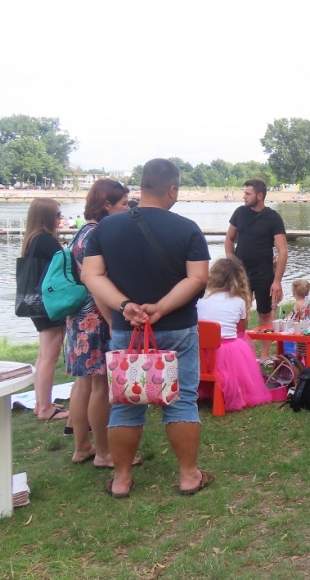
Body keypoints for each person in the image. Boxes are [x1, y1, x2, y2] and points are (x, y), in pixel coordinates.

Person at [82, 158, 211, 498]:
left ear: (142, 186)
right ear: (172, 189)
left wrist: (125, 306)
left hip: (129, 330)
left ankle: (121, 479)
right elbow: (198, 278)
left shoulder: (105, 228)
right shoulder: (188, 229)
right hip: (178, 328)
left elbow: (91, 275)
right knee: (182, 400)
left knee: (126, 404)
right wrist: (162, 307)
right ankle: (189, 476)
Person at [66, 179, 134, 466]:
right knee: (100, 387)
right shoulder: (98, 235)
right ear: (107, 205)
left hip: (79, 317)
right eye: (123, 204)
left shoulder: (81, 232)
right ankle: (104, 453)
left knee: (83, 384)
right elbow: (97, 283)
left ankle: (82, 446)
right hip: (97, 317)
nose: (127, 209)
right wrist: (112, 321)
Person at [225, 179, 288, 362]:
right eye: (244, 193)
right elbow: (229, 238)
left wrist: (277, 281)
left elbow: (282, 251)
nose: (244, 196)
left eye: (248, 193)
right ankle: (242, 354)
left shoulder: (273, 218)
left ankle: (265, 355)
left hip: (263, 273)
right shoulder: (240, 213)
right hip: (240, 273)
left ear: (260, 196)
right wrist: (231, 260)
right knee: (239, 312)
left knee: (265, 313)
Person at [196, 258, 271, 411]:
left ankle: (201, 389)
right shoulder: (239, 301)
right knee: (240, 342)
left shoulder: (200, 299)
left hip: (200, 354)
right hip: (227, 354)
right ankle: (235, 389)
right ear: (239, 279)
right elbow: (240, 331)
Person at [19, 198, 68, 421]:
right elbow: (68, 262)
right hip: (49, 303)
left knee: (43, 354)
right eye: (58, 214)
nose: (61, 218)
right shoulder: (46, 240)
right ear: (47, 216)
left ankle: (41, 403)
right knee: (50, 355)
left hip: (34, 301)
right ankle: (46, 408)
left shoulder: (32, 239)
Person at [289, 279, 310, 363]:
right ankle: (307, 362)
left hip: (299, 327)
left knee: (299, 348)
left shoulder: (298, 303)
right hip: (307, 326)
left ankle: (298, 363)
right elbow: (307, 313)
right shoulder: (307, 301)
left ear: (294, 293)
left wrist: (287, 319)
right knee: (306, 349)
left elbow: (292, 315)